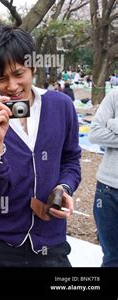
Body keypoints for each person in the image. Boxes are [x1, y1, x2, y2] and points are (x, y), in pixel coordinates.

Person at [0, 24, 81, 267]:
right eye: (1, 78)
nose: (12, 86)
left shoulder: (61, 106)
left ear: (33, 67)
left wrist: (64, 188)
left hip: (49, 239)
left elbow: (71, 159)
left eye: (19, 74)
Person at [89, 89, 118, 267]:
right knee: (112, 257)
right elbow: (94, 134)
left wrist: (112, 124)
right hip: (108, 190)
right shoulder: (115, 95)